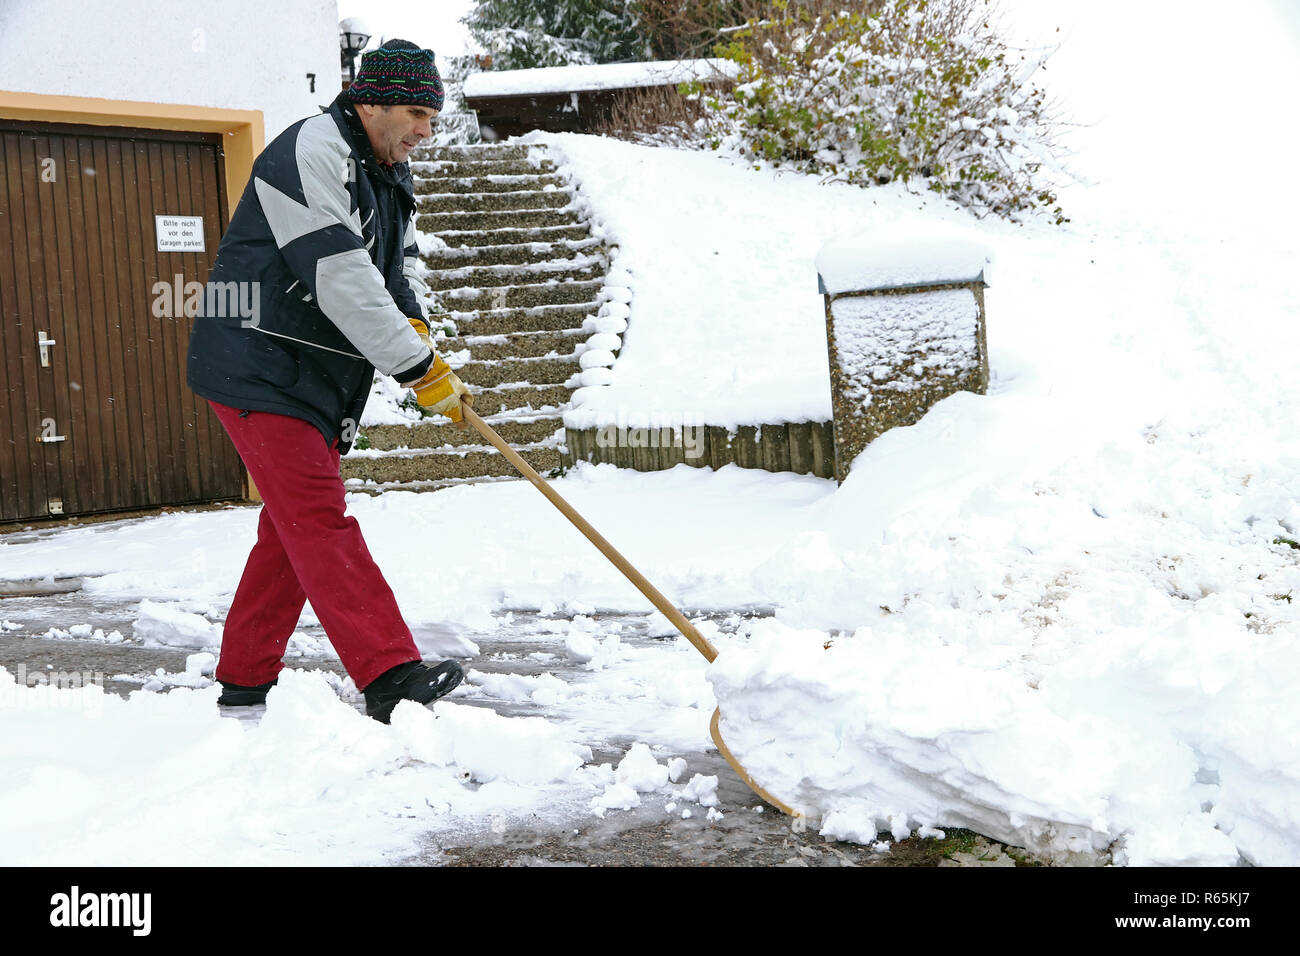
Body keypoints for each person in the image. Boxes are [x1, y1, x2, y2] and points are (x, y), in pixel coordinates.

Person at [187, 39, 471, 723]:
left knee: (289, 532)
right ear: (371, 102)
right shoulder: (309, 153)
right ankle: (389, 672)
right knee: (318, 518)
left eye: (432, 115)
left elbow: (389, 271)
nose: (426, 130)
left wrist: (418, 331)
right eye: (415, 111)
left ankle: (243, 681)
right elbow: (338, 274)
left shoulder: (383, 169)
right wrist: (417, 368)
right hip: (257, 360)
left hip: (313, 374)